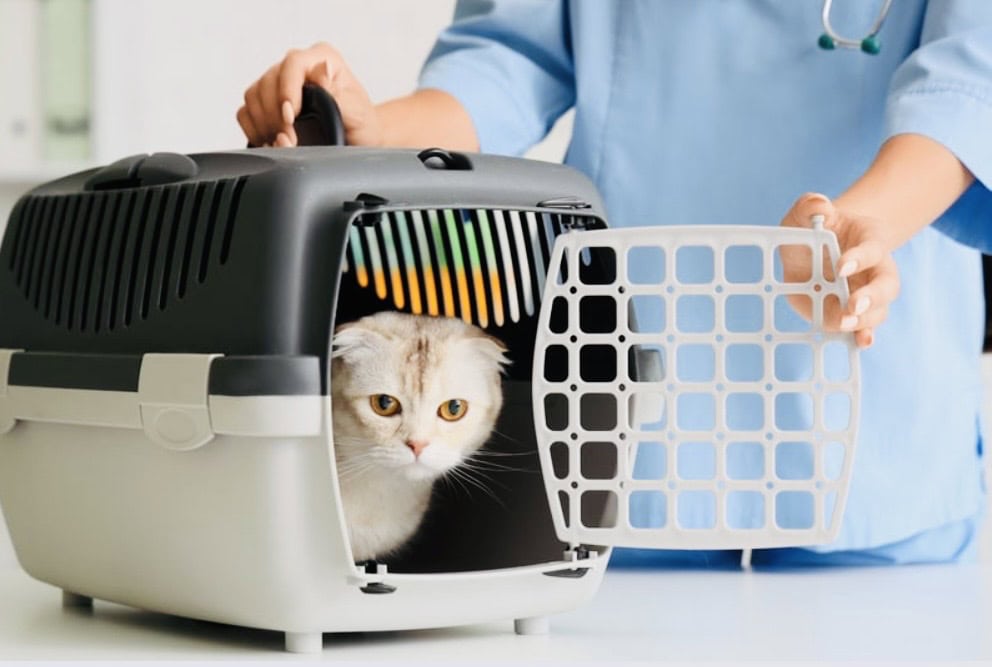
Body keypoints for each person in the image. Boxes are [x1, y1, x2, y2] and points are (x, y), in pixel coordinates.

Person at [238, 1, 991, 566]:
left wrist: (857, 229)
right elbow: (506, 57)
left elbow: (971, 77)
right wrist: (374, 130)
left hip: (875, 448)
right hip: (630, 450)